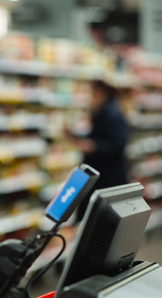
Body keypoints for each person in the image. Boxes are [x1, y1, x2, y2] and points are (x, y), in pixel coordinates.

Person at [71, 80, 129, 221]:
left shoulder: (113, 113)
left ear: (101, 92)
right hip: (98, 176)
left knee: (96, 220)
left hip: (106, 178)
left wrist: (94, 146)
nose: (91, 96)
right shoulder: (103, 111)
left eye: (93, 93)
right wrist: (76, 137)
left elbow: (118, 144)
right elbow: (96, 135)